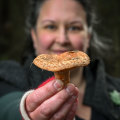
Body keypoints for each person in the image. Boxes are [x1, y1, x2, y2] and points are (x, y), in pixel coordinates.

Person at [0, 0, 120, 120]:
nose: (62, 39)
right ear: (34, 36)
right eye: (50, 26)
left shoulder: (116, 87)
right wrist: (25, 112)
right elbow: (6, 107)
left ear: (88, 38)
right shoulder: (9, 76)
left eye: (74, 28)